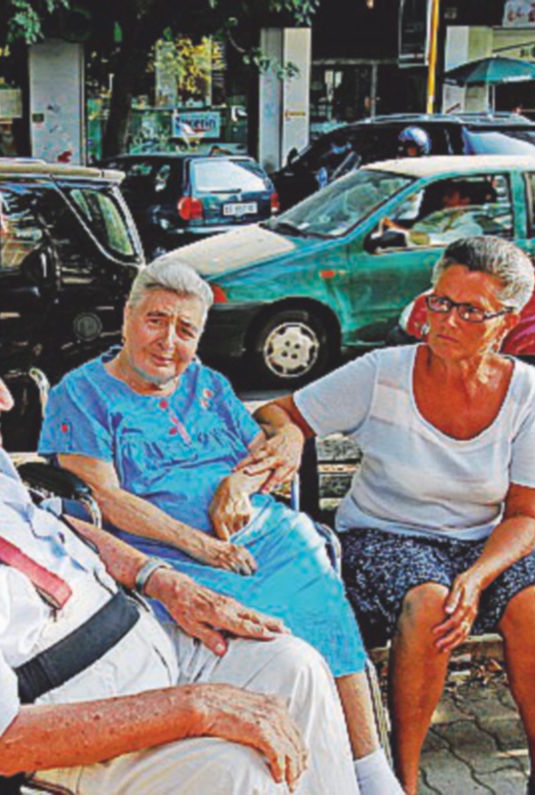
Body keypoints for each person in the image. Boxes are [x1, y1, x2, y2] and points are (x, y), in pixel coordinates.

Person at [0, 272, 359, 794]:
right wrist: (197, 707)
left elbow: (52, 522)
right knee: (240, 772)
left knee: (295, 665)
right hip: (78, 728)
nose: (5, 397)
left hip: (145, 654)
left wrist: (159, 579)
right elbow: (1, 740)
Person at [36, 261, 402, 795]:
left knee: (320, 593)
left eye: (185, 330)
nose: (168, 342)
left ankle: (367, 769)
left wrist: (238, 485)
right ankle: (309, 768)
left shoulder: (208, 386)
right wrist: (199, 545)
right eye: (156, 320)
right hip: (172, 556)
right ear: (127, 316)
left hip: (266, 538)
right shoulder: (82, 394)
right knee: (285, 646)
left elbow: (260, 457)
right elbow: (105, 500)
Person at [254, 236, 535, 795]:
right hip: (386, 534)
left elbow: (526, 514)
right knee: (430, 605)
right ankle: (400, 785)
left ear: (506, 322)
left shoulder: (528, 391)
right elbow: (278, 410)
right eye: (440, 301)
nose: (446, 320)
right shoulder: (382, 373)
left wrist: (477, 577)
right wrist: (286, 439)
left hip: (485, 541)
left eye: (470, 311)